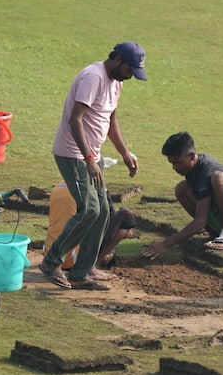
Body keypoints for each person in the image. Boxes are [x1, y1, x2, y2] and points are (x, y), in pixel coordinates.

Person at [38, 41, 146, 290]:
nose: (130, 77)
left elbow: (111, 120)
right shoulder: (93, 77)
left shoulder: (116, 81)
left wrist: (125, 152)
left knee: (103, 212)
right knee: (89, 210)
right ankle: (52, 261)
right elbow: (76, 120)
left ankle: (82, 272)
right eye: (130, 70)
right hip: (73, 154)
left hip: (91, 155)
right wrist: (88, 160)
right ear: (118, 60)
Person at [141, 131, 223, 259]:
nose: (174, 167)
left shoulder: (206, 169)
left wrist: (165, 244)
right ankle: (215, 233)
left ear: (191, 156)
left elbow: (200, 221)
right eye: (172, 163)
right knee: (181, 189)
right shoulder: (192, 170)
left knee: (218, 178)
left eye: (178, 162)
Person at [43, 180, 139, 282]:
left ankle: (86, 265)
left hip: (50, 253)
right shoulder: (91, 188)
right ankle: (89, 268)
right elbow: (109, 216)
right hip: (72, 258)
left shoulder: (59, 187)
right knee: (126, 217)